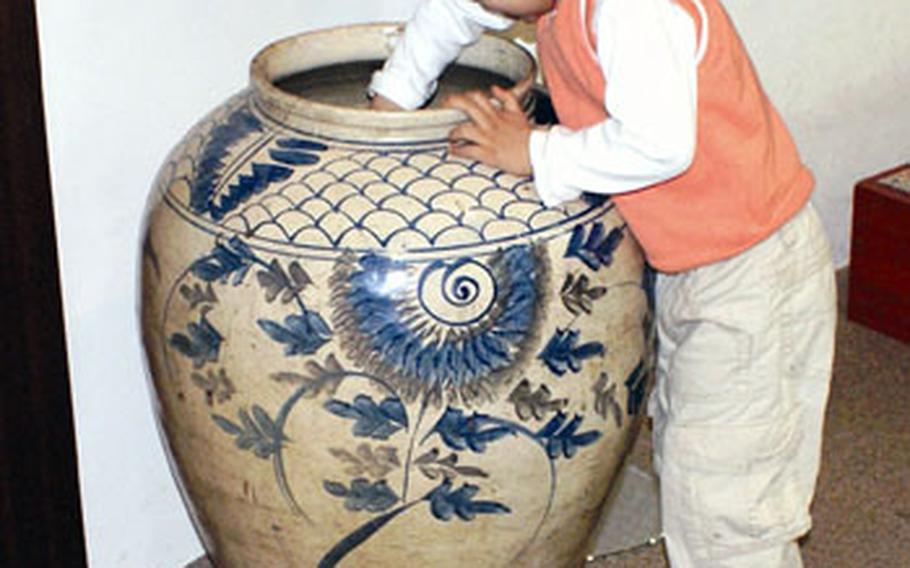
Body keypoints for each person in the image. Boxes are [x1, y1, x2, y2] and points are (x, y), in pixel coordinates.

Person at [367, 0, 837, 566]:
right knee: (691, 458)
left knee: (727, 498)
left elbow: (659, 144)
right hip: (702, 262)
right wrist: (387, 104)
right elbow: (451, 14)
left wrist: (534, 150)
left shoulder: (632, 11)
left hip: (754, 275)